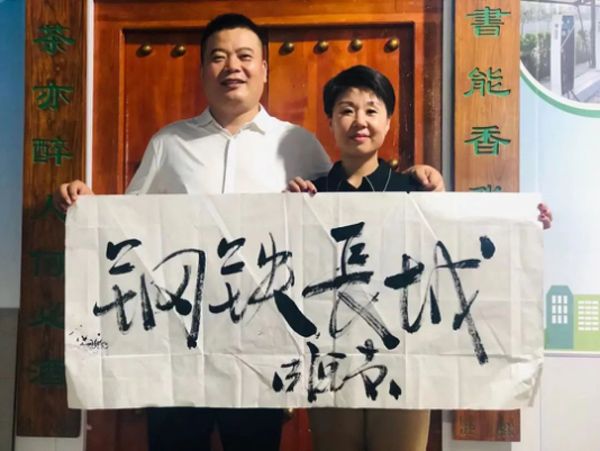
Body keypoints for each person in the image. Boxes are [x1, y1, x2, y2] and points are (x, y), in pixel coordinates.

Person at [54, 13, 446, 451]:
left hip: (262, 347)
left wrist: (415, 181)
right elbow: (128, 225)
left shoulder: (296, 144)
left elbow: (344, 202)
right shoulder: (169, 144)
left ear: (264, 69)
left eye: (244, 56)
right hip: (180, 342)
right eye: (218, 57)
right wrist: (88, 205)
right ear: (203, 70)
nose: (232, 67)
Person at [287, 65, 553, 451]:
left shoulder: (417, 191)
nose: (359, 121)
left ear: (388, 121)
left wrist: (525, 222)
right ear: (330, 121)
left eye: (371, 110)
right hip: (331, 362)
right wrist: (285, 212)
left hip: (405, 361)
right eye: (346, 110)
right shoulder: (309, 196)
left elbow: (464, 245)